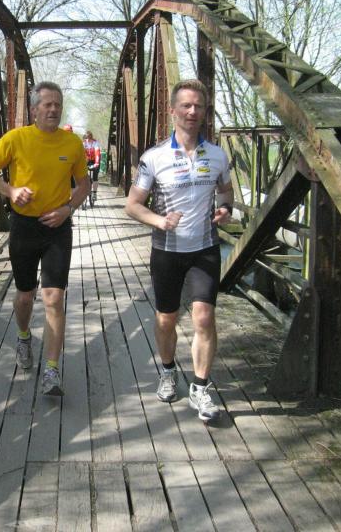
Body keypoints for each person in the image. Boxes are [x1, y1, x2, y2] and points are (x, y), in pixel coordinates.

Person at [124, 79, 233, 422]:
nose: (192, 111)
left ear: (204, 112)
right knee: (166, 318)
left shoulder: (217, 155)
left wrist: (225, 209)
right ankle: (168, 371)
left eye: (198, 106)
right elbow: (132, 205)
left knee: (204, 317)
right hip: (167, 251)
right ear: (172, 111)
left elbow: (226, 193)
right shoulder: (154, 158)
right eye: (186, 105)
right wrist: (159, 220)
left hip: (204, 248)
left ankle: (200, 387)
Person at [0, 82, 90, 396]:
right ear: (34, 109)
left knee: (54, 298)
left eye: (58, 104)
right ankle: (24, 335)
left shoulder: (72, 143)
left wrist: (67, 209)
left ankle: (52, 370)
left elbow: (84, 184)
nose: (54, 109)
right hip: (24, 227)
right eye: (47, 104)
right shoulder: (16, 139)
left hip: (57, 228)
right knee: (25, 296)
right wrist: (11, 190)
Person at [82, 131, 101, 207]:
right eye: (86, 139)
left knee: (95, 177)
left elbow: (97, 154)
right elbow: (81, 154)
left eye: (89, 139)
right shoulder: (83, 143)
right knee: (83, 176)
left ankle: (94, 193)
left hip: (95, 160)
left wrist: (96, 163)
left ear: (91, 138)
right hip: (87, 160)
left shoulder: (95, 143)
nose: (87, 140)